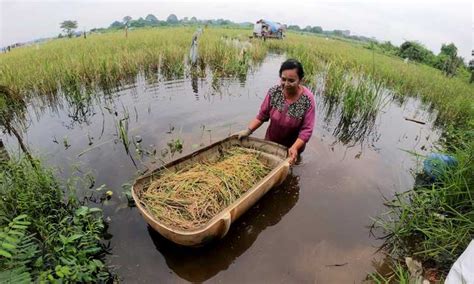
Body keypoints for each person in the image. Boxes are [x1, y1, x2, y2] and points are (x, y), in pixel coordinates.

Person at [236, 59, 316, 165]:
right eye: (283, 79)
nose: (286, 84)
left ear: (300, 80)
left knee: (287, 170)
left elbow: (307, 130)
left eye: (291, 81)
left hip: (292, 146)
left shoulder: (307, 100)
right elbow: (262, 116)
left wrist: (295, 148)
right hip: (271, 141)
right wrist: (248, 130)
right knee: (264, 165)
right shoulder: (274, 93)